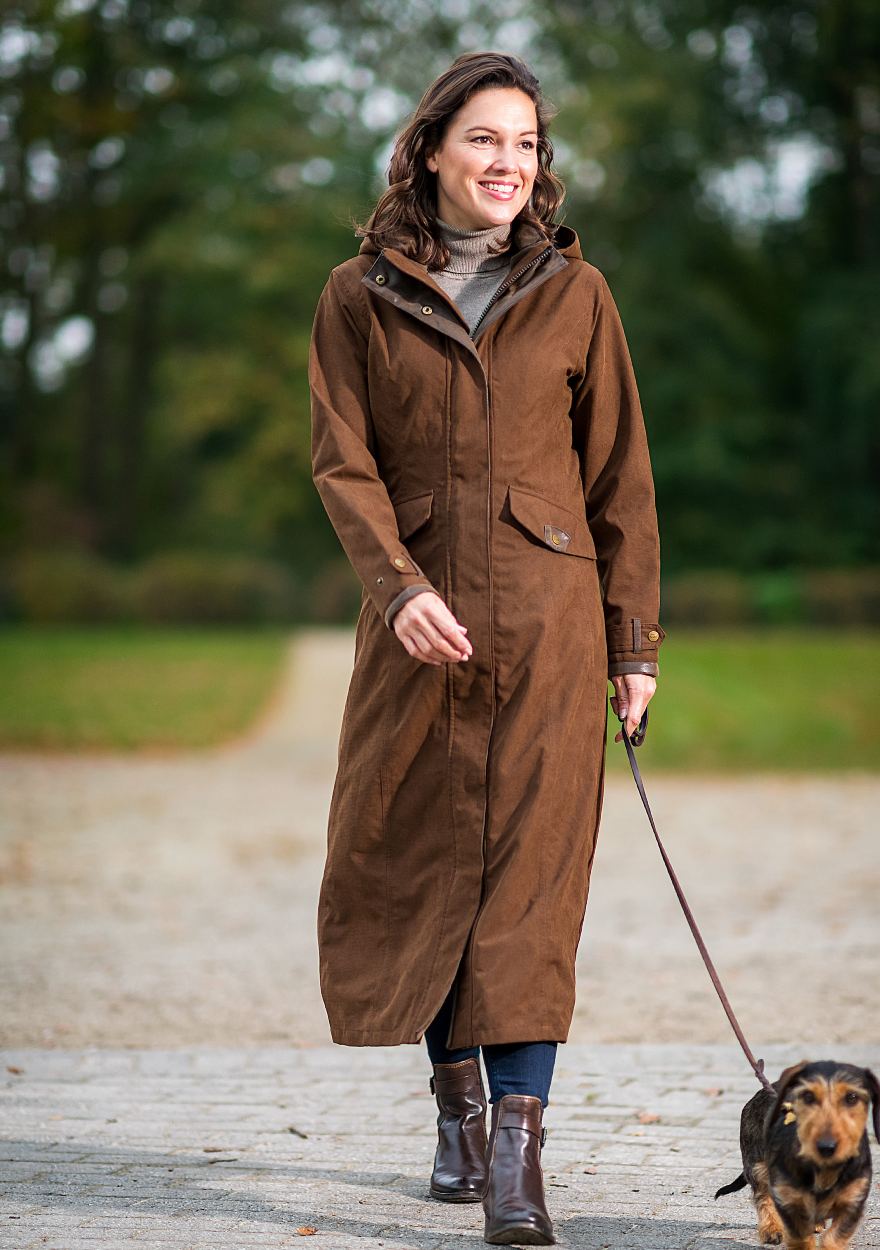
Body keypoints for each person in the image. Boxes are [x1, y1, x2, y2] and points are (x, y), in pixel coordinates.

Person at [308, 50, 664, 1247]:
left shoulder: (579, 294)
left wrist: (634, 644)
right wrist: (396, 586)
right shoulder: (355, 296)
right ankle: (454, 1107)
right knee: (419, 869)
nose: (508, 164)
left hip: (552, 634)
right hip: (416, 637)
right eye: (484, 140)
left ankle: (519, 1152)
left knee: (529, 885)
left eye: (525, 145)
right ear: (429, 151)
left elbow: (621, 479)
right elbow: (340, 465)